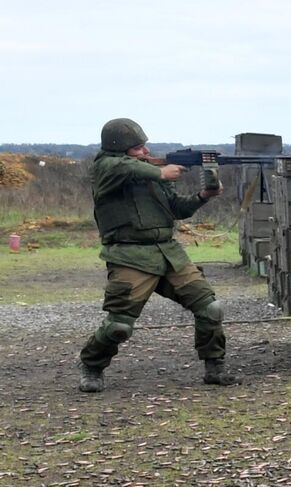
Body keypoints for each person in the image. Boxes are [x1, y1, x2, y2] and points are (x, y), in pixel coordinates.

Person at [77, 118, 236, 393]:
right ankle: (91, 365)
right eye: (137, 148)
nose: (144, 152)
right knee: (119, 326)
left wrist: (203, 195)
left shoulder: (149, 171)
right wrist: (161, 172)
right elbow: (121, 166)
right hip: (130, 256)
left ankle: (215, 367)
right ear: (118, 148)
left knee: (210, 308)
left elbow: (177, 208)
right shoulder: (106, 168)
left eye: (144, 147)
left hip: (169, 253)